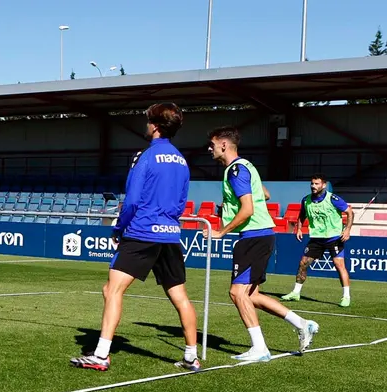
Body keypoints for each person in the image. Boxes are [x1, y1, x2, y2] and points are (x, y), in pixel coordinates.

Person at [70, 103, 201, 372]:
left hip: (142, 231)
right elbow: (181, 201)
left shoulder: (146, 156)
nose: (145, 124)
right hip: (170, 234)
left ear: (154, 125)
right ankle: (191, 356)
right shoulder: (181, 160)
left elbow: (130, 201)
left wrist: (119, 228)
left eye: (147, 120)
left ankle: (101, 354)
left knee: (112, 289)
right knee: (180, 297)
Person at [206, 126, 319, 362]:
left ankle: (260, 348)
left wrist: (220, 232)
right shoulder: (247, 166)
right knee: (252, 295)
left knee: (237, 293)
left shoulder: (235, 170)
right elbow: (264, 195)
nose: (210, 148)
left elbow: (247, 209)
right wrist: (228, 208)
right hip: (260, 235)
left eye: (212, 144)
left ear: (224, 145)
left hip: (253, 237)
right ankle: (302, 323)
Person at [282, 173, 354, 307]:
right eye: (312, 184)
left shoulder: (333, 199)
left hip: (334, 237)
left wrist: (347, 229)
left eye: (317, 184)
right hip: (316, 239)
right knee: (303, 263)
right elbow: (302, 215)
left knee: (339, 266)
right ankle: (296, 293)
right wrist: (299, 228)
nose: (313, 186)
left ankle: (346, 296)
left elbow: (349, 212)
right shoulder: (306, 200)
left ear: (324, 185)